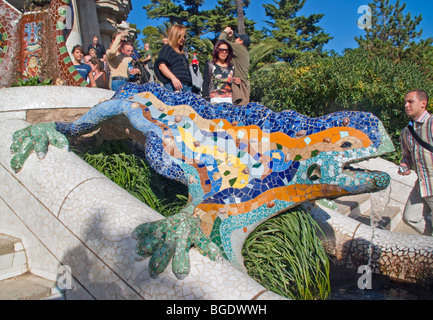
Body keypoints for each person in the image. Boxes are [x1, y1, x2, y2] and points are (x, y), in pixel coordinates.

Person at [398, 89, 433, 236]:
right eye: (405, 102)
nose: (406, 105)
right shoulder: (407, 131)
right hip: (421, 184)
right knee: (410, 217)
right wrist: (404, 165)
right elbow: (407, 157)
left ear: (423, 104)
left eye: (410, 101)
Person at [154, 24, 192, 93]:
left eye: (184, 37)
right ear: (175, 35)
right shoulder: (167, 48)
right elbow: (161, 66)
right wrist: (173, 78)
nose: (183, 39)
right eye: (181, 36)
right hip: (174, 86)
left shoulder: (182, 54)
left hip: (187, 86)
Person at [219, 26, 250, 105]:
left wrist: (225, 32)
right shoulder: (242, 51)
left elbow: (221, 42)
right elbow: (229, 49)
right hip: (241, 85)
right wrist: (230, 38)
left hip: (239, 86)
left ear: (241, 41)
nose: (235, 39)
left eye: (236, 38)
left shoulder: (239, 48)